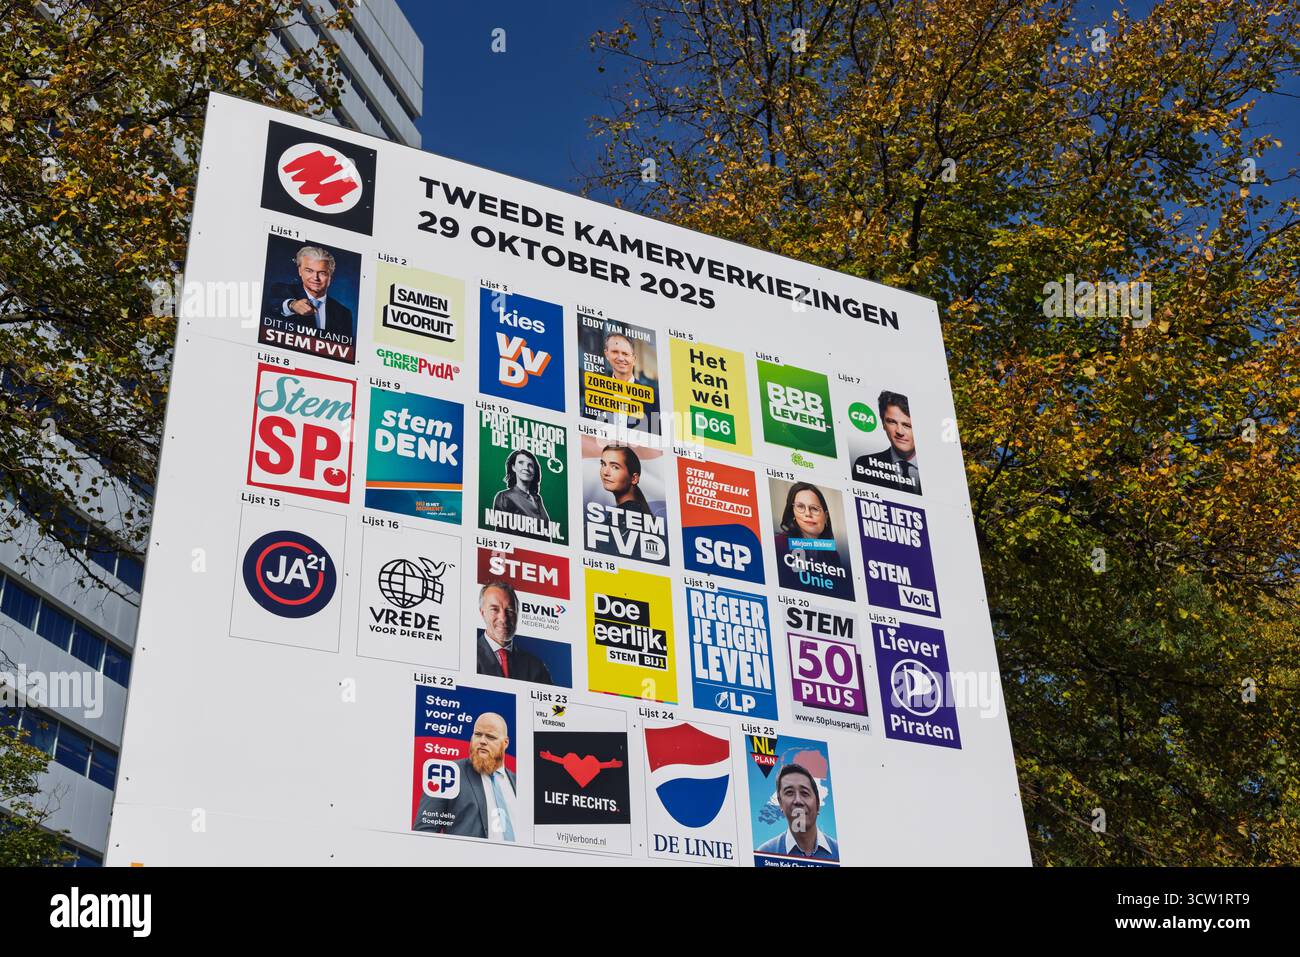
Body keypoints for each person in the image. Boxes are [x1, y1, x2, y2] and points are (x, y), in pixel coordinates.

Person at [413, 712, 517, 841]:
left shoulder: (519, 784)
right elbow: (423, 834)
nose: (482, 741)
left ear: (505, 743)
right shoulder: (447, 773)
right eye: (478, 734)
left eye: (490, 737)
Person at [773, 483, 853, 601]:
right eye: (800, 507)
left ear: (825, 517)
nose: (808, 514)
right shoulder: (779, 544)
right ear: (793, 513)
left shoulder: (833, 555)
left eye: (814, 509)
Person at [263, 245, 354, 336]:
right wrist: (292, 305)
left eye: (322, 273)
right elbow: (270, 304)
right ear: (300, 271)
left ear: (330, 276)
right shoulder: (281, 290)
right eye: (309, 271)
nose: (315, 278)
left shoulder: (344, 313)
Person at [475, 581, 554, 685]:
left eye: (510, 610)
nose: (503, 618)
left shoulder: (535, 666)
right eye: (494, 609)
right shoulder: (468, 656)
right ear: (482, 613)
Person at [756, 763, 839, 861]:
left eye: (804, 793)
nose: (798, 800)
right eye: (789, 792)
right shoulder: (765, 854)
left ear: (817, 804)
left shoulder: (839, 852)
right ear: (780, 803)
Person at [853, 391, 920, 494]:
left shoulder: (937, 471)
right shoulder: (864, 465)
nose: (899, 432)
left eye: (907, 425)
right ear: (883, 424)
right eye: (892, 422)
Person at [592, 330, 660, 432]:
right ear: (607, 354)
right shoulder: (596, 393)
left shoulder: (653, 397)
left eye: (625, 354)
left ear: (634, 359)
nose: (620, 358)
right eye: (615, 352)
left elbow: (657, 436)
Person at [489, 449, 554, 541]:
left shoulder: (537, 499)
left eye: (530, 465)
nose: (526, 468)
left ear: (535, 471)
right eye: (521, 463)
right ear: (513, 467)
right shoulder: (504, 497)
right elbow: (501, 535)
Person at [598, 444, 651, 514]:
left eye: (615, 467)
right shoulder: (632, 510)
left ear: (634, 478)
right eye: (603, 464)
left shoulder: (625, 512)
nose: (605, 472)